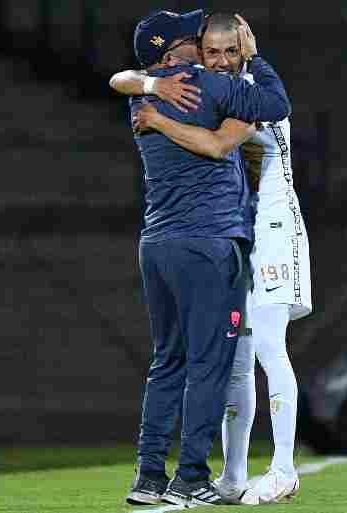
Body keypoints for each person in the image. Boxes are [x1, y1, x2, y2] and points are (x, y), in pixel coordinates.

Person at [111, 12, 312, 505]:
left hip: (263, 227)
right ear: (178, 52)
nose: (216, 58)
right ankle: (219, 475)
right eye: (206, 47)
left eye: (227, 49)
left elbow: (222, 140)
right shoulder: (215, 89)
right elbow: (226, 140)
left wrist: (151, 96)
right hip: (217, 237)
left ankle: (279, 468)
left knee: (253, 348)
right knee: (225, 363)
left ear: (244, 46)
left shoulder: (155, 93)